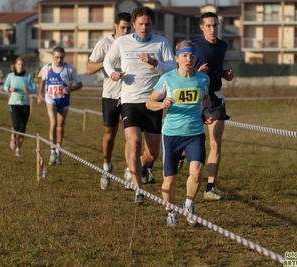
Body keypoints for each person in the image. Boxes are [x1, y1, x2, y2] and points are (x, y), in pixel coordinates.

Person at [104, 6, 176, 205]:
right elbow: (108, 61)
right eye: (141, 24)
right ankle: (139, 189)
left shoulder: (161, 42)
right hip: (129, 99)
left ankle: (140, 165)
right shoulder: (122, 42)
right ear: (134, 24)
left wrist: (155, 63)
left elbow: (172, 68)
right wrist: (112, 73)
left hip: (153, 100)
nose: (144, 27)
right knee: (134, 142)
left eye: (148, 24)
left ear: (153, 25)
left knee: (152, 152)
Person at [146, 40, 214, 226]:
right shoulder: (167, 78)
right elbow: (149, 103)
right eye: (184, 55)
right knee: (170, 179)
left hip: (195, 133)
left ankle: (189, 205)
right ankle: (170, 211)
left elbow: (205, 100)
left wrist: (206, 111)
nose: (188, 59)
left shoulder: (202, 79)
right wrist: (162, 104)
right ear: (177, 58)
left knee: (197, 172)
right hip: (172, 134)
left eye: (192, 56)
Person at [87, 12, 132, 190]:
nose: (126, 30)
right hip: (110, 96)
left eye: (128, 28)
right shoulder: (104, 44)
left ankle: (130, 171)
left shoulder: (133, 43)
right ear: (115, 26)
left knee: (131, 136)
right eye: (123, 27)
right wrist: (105, 63)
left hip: (130, 96)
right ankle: (107, 166)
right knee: (109, 135)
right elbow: (89, 68)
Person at [193, 12, 234, 200]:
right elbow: (181, 69)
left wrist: (225, 74)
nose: (213, 29)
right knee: (190, 140)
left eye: (215, 25)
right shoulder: (193, 46)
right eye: (209, 26)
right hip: (194, 97)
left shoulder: (223, 46)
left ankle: (210, 186)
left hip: (215, 97)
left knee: (215, 140)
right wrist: (195, 72)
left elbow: (218, 69)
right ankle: (182, 155)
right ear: (202, 27)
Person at [37, 46, 83, 165]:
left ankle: (58, 149)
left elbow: (79, 84)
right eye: (57, 57)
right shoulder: (47, 68)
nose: (59, 60)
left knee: (60, 127)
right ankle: (52, 151)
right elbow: (42, 81)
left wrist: (71, 88)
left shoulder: (69, 69)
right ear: (52, 56)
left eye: (61, 57)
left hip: (64, 100)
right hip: (51, 99)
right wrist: (40, 95)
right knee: (53, 123)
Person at [4, 57, 37, 157]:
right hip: (14, 104)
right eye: (19, 64)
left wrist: (29, 90)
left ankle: (18, 149)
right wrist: (10, 89)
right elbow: (5, 87)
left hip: (25, 105)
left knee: (22, 129)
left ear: (24, 66)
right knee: (16, 125)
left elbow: (35, 89)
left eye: (22, 64)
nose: (20, 66)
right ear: (15, 65)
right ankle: (13, 136)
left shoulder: (28, 76)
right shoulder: (11, 76)